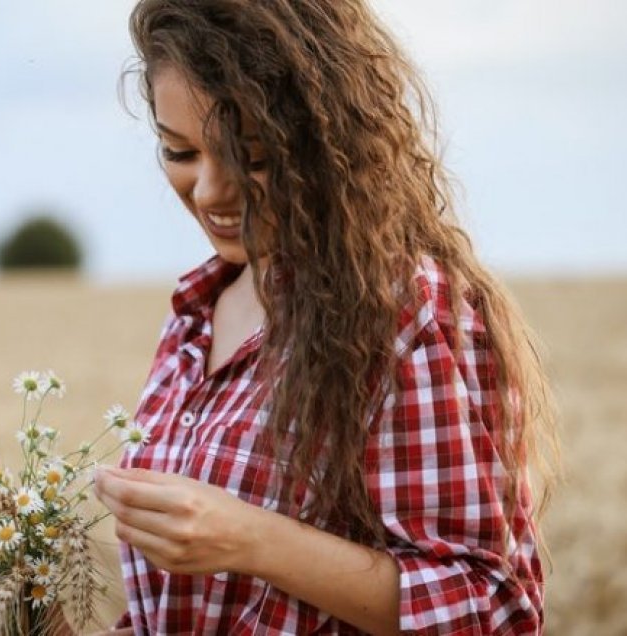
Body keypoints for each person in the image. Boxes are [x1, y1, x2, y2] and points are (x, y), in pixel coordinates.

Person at [92, 1, 560, 634]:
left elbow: (494, 608)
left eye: (252, 157)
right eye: (180, 153)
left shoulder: (405, 312)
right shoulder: (192, 317)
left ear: (327, 139)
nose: (208, 192)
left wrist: (254, 540)